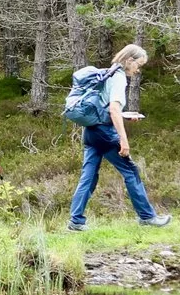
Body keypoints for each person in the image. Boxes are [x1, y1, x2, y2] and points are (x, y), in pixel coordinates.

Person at [68, 44, 171, 232]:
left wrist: (125, 115)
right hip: (105, 134)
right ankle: (147, 217)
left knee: (88, 176)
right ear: (129, 61)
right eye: (138, 65)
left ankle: (76, 221)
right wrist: (124, 139)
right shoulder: (118, 78)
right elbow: (113, 109)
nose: (138, 70)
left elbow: (103, 107)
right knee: (131, 171)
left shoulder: (106, 73)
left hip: (91, 131)